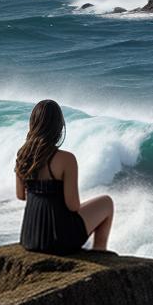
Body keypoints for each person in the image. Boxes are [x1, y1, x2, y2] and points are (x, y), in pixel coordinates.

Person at [14, 99, 114, 253]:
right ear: (58, 126)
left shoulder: (23, 155)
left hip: (30, 238)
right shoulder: (66, 159)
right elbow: (72, 206)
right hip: (60, 240)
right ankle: (99, 251)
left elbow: (21, 196)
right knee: (106, 203)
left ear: (33, 124)